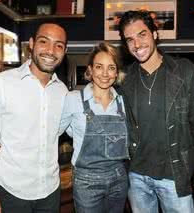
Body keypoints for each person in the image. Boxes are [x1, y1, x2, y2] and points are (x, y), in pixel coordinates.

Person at [117, 10, 194, 213]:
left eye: (142, 34)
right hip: (136, 176)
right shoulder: (125, 79)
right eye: (130, 39)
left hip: (174, 173)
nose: (137, 44)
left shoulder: (183, 70)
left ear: (154, 34)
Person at [0, 23, 68, 213]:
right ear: (31, 44)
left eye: (58, 45)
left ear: (64, 51)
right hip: (10, 192)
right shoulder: (1, 84)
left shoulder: (63, 91)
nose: (50, 50)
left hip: (50, 191)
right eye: (44, 41)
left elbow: (56, 134)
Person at [59, 42, 129, 213]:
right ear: (90, 69)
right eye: (99, 67)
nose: (105, 74)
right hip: (86, 182)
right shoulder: (73, 99)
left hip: (118, 179)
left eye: (111, 67)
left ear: (117, 71)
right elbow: (57, 132)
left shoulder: (123, 102)